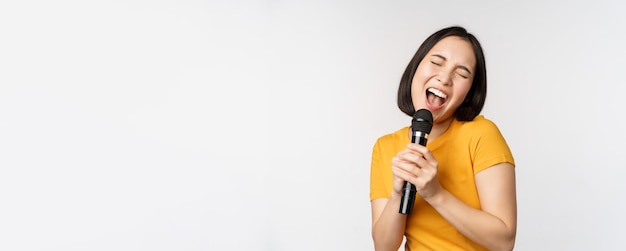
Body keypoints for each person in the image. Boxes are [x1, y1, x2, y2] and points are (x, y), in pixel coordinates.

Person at [369, 26, 517, 251]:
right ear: (416, 68)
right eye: (437, 62)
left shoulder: (482, 134)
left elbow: (504, 241)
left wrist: (435, 193)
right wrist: (397, 194)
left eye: (462, 73)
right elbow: (384, 246)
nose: (445, 78)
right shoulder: (385, 146)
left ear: (469, 92)